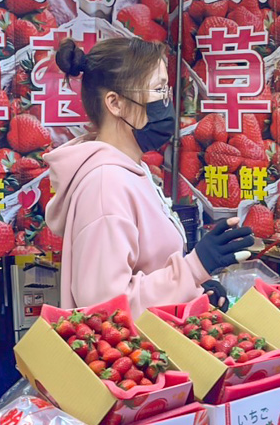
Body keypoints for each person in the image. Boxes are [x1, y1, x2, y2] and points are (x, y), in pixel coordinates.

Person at [45, 37, 254, 316]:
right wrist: (194, 268)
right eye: (156, 90)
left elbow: (147, 271)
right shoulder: (105, 185)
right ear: (115, 103)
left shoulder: (134, 170)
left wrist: (194, 290)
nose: (166, 102)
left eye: (165, 90)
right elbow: (103, 310)